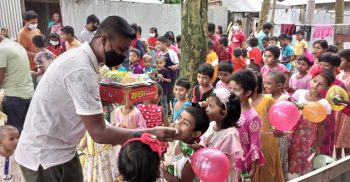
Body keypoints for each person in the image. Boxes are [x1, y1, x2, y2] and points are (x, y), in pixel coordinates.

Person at [15, 16, 177, 182]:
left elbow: (88, 101)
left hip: (63, 150)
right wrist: (150, 132)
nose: (123, 56)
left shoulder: (82, 59)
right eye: (120, 49)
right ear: (104, 39)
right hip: (45, 157)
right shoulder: (81, 69)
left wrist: (126, 93)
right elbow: (99, 133)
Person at [289, 66, 333, 178]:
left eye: (321, 84)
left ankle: (304, 177)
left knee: (305, 158)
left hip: (309, 136)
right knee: (291, 154)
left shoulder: (324, 104)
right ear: (311, 79)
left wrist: (317, 144)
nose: (316, 85)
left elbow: (322, 126)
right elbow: (290, 110)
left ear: (327, 87)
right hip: (293, 132)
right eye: (314, 81)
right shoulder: (299, 93)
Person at [199, 89, 243, 182]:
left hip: (220, 177)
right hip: (209, 172)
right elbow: (203, 145)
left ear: (224, 113)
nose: (206, 109)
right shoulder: (211, 126)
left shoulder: (229, 134)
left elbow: (221, 162)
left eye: (210, 106)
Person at [229, 70, 265, 181]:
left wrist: (253, 168)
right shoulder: (229, 109)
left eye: (236, 90)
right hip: (226, 155)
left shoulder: (252, 117)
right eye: (231, 89)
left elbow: (255, 145)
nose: (232, 93)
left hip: (241, 162)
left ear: (248, 92)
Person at [162, 106, 210, 182]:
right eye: (178, 118)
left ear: (195, 134)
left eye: (185, 123)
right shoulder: (179, 140)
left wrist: (162, 170)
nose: (178, 123)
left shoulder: (191, 158)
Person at [0, 34, 34, 133]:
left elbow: (0, 78)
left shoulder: (2, 49)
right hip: (28, 94)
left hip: (14, 97)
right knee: (26, 131)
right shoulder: (15, 45)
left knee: (14, 133)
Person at [335, 49, 350, 160]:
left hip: (347, 113)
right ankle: (338, 159)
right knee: (336, 136)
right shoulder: (339, 75)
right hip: (337, 111)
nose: (338, 63)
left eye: (340, 60)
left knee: (346, 137)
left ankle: (346, 164)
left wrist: (343, 102)